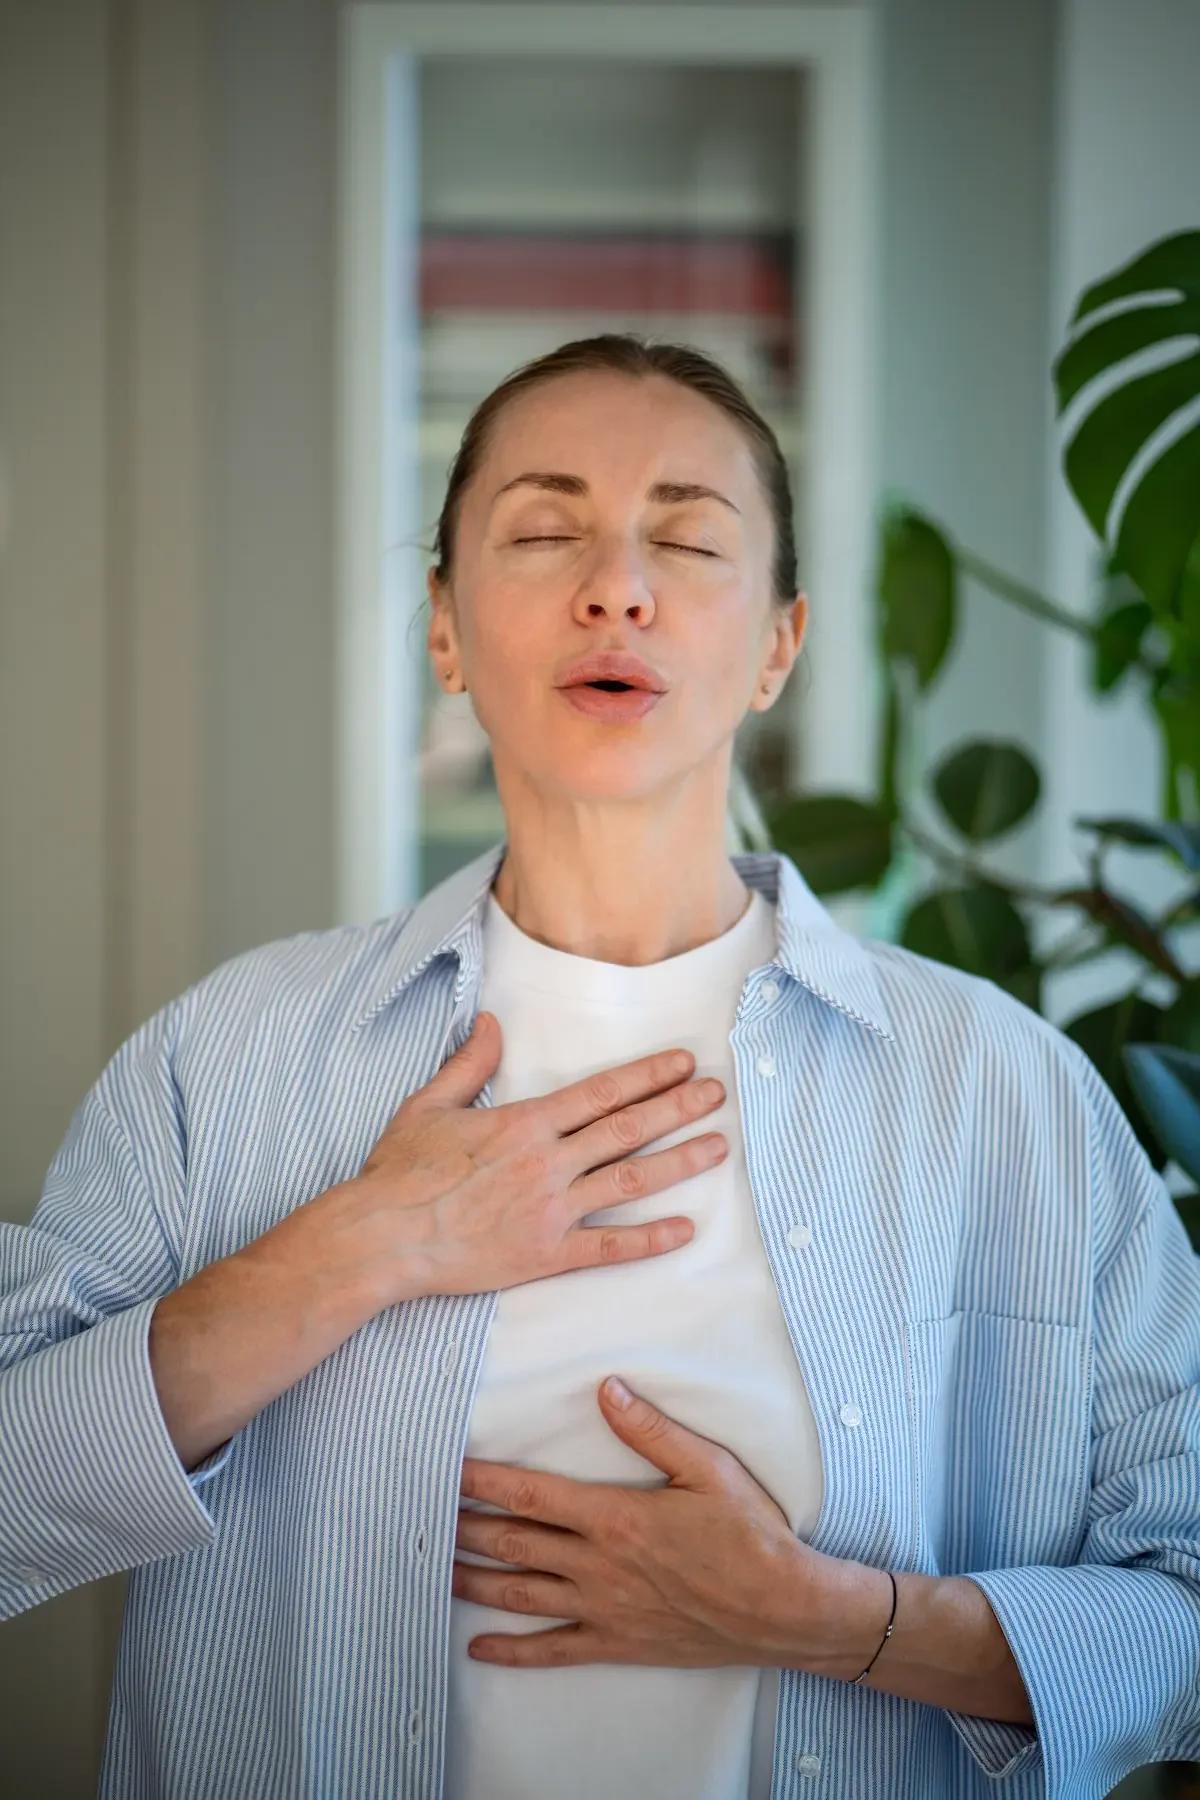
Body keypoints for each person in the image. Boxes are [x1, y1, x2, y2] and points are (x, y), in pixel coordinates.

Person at [1, 335, 1198, 1800]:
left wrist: (842, 1624)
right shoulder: (222, 1059)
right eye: (546, 530)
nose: (616, 585)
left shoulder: (1009, 1096)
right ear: (444, 629)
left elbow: (1186, 1612)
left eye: (689, 538)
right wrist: (359, 1248)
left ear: (778, 644)